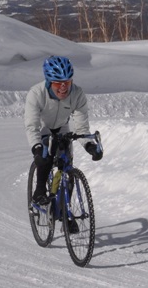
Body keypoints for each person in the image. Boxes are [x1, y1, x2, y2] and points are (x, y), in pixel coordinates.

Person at [25, 55, 102, 206]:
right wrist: (37, 148)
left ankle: (65, 210)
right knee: (47, 152)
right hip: (43, 129)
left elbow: (81, 128)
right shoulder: (36, 94)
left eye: (67, 82)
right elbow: (32, 126)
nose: (63, 87)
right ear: (48, 81)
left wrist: (89, 145)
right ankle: (39, 191)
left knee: (66, 167)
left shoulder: (77, 94)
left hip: (62, 128)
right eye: (58, 83)